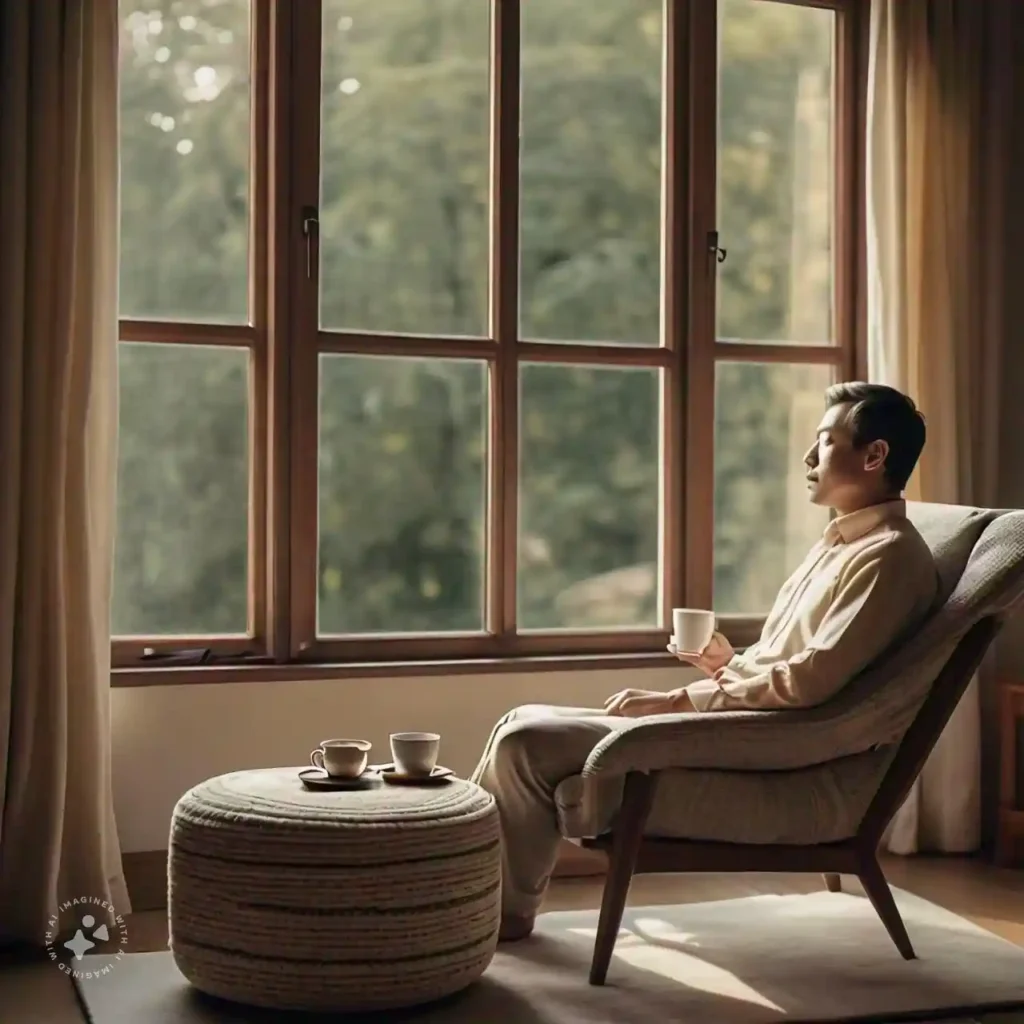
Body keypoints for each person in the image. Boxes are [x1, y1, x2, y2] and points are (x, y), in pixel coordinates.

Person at [471, 381, 939, 941]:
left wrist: (676, 701)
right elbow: (786, 663)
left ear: (874, 455)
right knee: (521, 719)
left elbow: (810, 683)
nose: (809, 458)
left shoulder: (889, 558)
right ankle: (463, 900)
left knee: (525, 745)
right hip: (751, 725)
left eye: (824, 441)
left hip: (780, 749)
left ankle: (497, 919)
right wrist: (727, 663)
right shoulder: (839, 545)